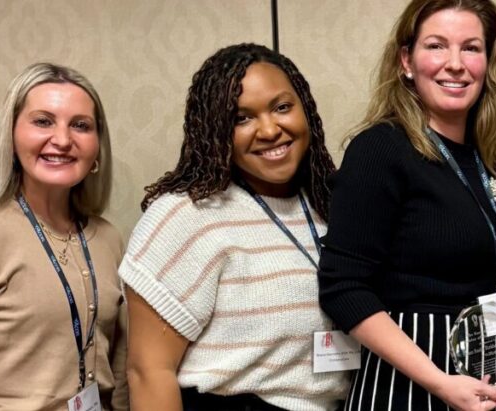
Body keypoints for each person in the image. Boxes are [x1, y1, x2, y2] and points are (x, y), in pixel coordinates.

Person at [316, 1, 496, 410]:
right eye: (437, 46)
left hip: (491, 382)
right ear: (406, 60)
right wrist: (439, 382)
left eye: (471, 48)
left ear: (488, 63)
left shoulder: (493, 161)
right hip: (408, 385)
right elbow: (342, 287)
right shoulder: (380, 149)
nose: (455, 64)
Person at [119, 43, 348, 411]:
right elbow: (149, 372)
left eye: (282, 107)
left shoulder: (330, 205)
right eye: (241, 118)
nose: (270, 129)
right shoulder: (186, 215)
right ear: (215, 130)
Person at [0, 63, 127, 410]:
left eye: (80, 125)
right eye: (43, 121)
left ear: (97, 148)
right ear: (11, 136)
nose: (62, 139)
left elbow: (118, 369)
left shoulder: (107, 239)